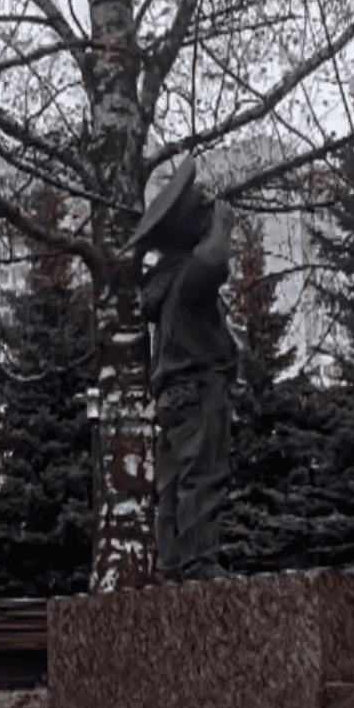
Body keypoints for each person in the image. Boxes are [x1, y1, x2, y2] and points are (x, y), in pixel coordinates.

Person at [127, 156, 238, 583]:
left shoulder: (166, 282)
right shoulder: (190, 277)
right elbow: (214, 263)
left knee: (171, 486)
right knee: (203, 473)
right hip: (199, 387)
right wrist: (223, 225)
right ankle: (199, 563)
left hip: (171, 396)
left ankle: (171, 563)